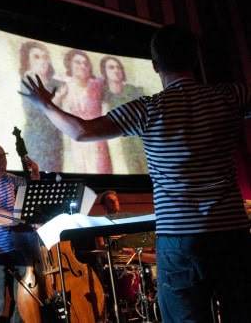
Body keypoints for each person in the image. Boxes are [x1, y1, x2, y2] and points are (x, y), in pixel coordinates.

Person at [20, 24, 251, 322]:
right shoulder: (230, 96)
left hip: (179, 238)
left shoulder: (148, 109)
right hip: (230, 233)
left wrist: (45, 104)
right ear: (195, 60)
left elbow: (81, 131)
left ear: (155, 66)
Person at [0, 144, 40, 323]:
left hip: (14, 245)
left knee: (23, 292)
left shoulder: (11, 179)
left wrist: (34, 172)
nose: (3, 159)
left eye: (4, 155)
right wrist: (25, 219)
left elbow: (33, 189)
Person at [53, 49, 112, 174]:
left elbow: (107, 107)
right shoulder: (66, 86)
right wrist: (58, 97)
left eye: (85, 63)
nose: (82, 66)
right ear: (70, 65)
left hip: (98, 139)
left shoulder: (97, 84)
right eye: (78, 62)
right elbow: (52, 109)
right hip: (77, 142)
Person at [19, 41, 64, 172]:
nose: (43, 61)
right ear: (27, 62)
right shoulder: (27, 83)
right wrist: (57, 100)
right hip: (37, 141)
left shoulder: (56, 83)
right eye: (36, 57)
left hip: (55, 141)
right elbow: (35, 114)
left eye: (45, 56)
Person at [100, 56, 147, 174]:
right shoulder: (104, 96)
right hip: (120, 147)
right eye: (111, 68)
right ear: (104, 72)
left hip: (141, 142)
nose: (116, 70)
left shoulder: (134, 91)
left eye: (118, 67)